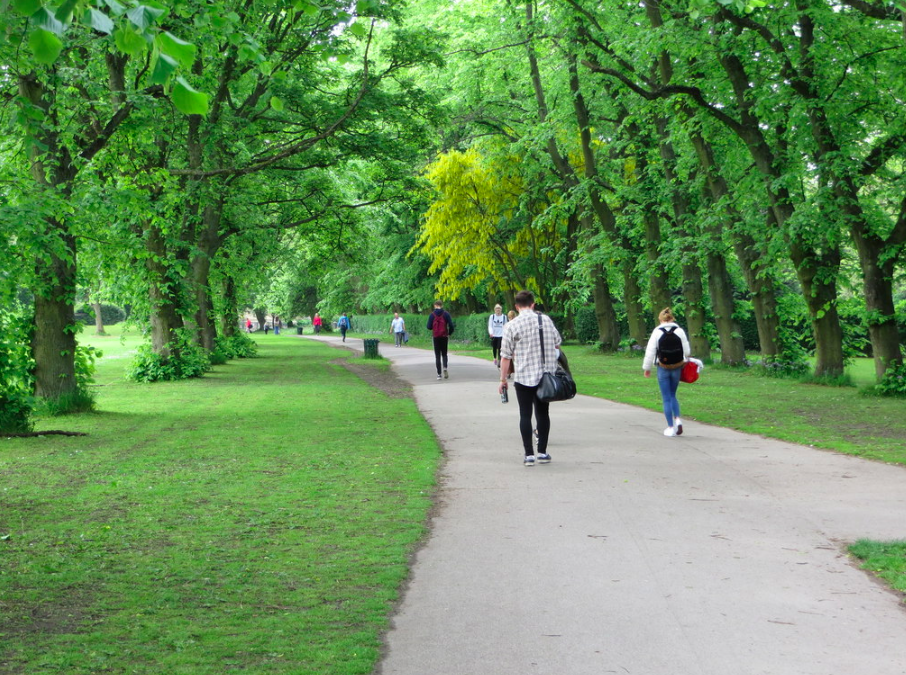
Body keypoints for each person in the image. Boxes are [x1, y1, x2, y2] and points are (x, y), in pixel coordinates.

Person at [498, 290, 562, 467]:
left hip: (524, 375)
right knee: (543, 414)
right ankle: (542, 451)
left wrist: (503, 380)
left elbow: (505, 357)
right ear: (533, 304)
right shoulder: (546, 320)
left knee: (525, 414)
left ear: (517, 307)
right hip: (546, 375)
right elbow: (557, 342)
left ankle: (529, 455)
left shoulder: (511, 325)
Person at [642, 307, 692, 437]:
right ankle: (678, 419)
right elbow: (687, 352)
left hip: (663, 367)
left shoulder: (657, 332)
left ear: (660, 319)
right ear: (672, 318)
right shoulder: (680, 331)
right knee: (673, 395)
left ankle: (670, 427)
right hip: (677, 367)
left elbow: (650, 352)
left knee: (666, 398)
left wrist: (647, 368)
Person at [426, 301, 455, 380]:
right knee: (444, 354)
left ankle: (439, 374)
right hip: (444, 336)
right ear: (441, 305)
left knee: (437, 356)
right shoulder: (446, 314)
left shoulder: (432, 315)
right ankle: (445, 367)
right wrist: (449, 333)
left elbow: (428, 327)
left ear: (435, 305)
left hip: (436, 337)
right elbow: (451, 325)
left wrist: (434, 327)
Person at [488, 304, 507, 368]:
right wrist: (491, 332)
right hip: (494, 334)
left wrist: (505, 333)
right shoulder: (492, 316)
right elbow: (490, 325)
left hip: (501, 334)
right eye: (496, 309)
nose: (498, 310)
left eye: (499, 309)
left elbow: (506, 325)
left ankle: (499, 360)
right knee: (494, 347)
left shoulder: (504, 317)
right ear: (495, 310)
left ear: (501, 310)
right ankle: (494, 358)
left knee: (500, 348)